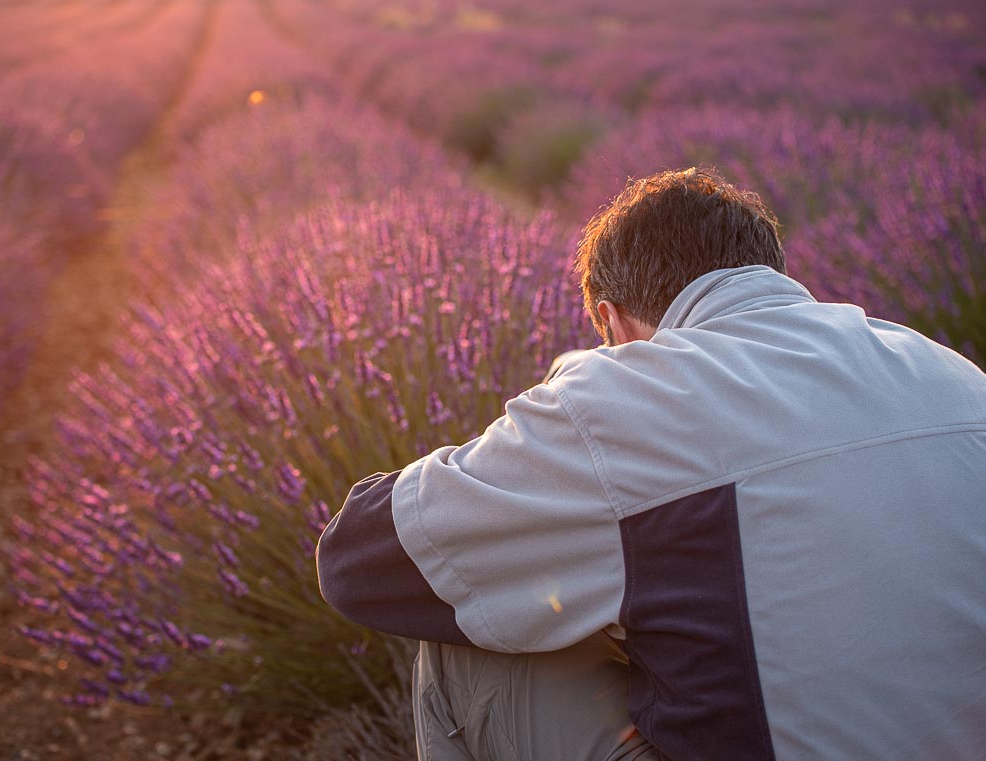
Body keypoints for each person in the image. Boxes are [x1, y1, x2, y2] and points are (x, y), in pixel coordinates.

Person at [315, 167, 986, 760]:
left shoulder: (625, 399)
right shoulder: (955, 377)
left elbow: (357, 559)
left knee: (472, 614)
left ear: (614, 321)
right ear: (768, 273)